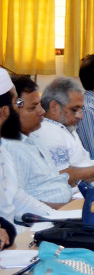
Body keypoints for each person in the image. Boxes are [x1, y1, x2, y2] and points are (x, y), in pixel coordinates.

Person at [29, 77, 94, 184]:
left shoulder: (66, 128)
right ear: (54, 107)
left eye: (81, 109)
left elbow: (81, 173)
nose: (80, 116)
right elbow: (60, 176)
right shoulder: (48, 132)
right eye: (74, 109)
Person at [0, 77, 73, 208]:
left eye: (39, 104)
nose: (42, 112)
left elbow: (53, 184)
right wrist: (63, 211)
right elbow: (17, 203)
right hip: (42, 221)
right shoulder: (10, 147)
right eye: (33, 107)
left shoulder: (34, 138)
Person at [0, 71, 52, 247]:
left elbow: (15, 195)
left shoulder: (2, 149)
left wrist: (57, 220)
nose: (19, 109)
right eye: (17, 104)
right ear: (4, 112)